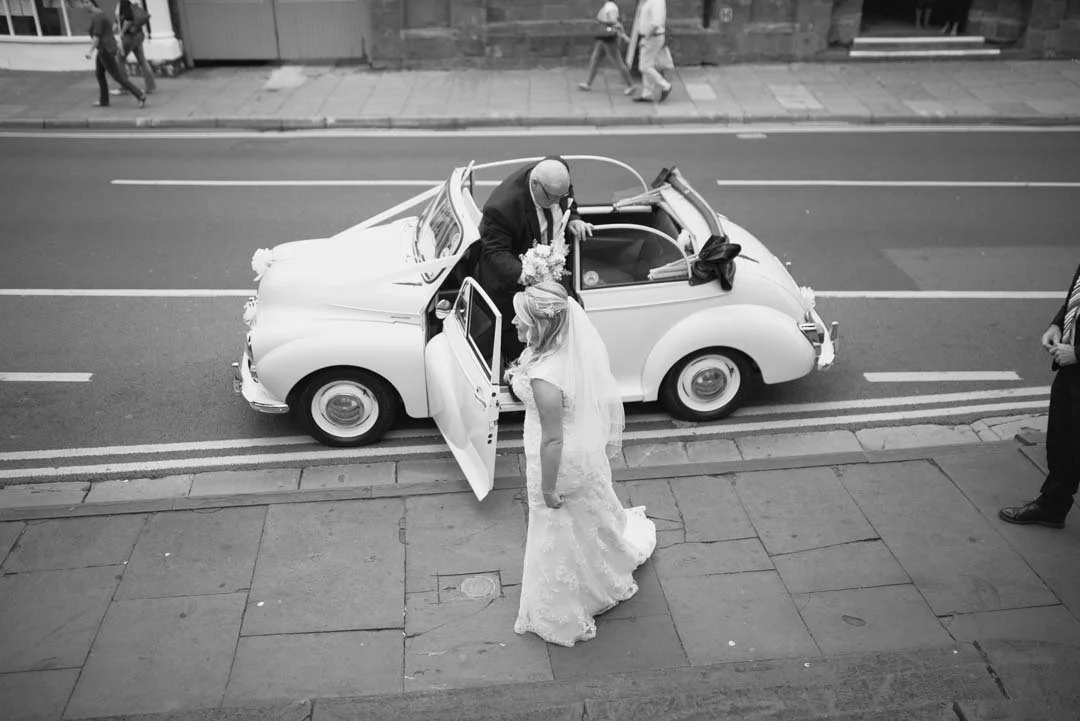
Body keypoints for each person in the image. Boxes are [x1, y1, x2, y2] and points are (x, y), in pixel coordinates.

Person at [507, 281, 656, 647]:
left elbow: (552, 438)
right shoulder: (561, 352)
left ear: (541, 324)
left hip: (557, 460)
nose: (513, 321)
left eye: (520, 317)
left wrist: (547, 487)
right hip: (579, 451)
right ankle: (601, 570)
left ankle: (562, 606)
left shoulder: (545, 376)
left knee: (555, 525)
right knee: (584, 518)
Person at [475, 157, 593, 364]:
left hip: (555, 270)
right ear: (535, 184)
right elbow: (495, 252)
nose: (556, 202)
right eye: (552, 197)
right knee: (524, 346)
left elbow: (567, 198)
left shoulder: (557, 175)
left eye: (561, 196)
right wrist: (527, 274)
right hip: (518, 283)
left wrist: (573, 217)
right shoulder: (501, 208)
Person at [999, 260, 1080, 530]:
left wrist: (1078, 353)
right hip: (1070, 370)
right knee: (1061, 443)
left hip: (1074, 359)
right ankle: (1052, 506)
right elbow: (1077, 295)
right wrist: (1057, 324)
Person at [80, 0, 147, 109]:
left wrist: (90, 51)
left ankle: (139, 95)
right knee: (99, 73)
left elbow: (97, 36)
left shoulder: (98, 17)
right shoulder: (99, 14)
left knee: (116, 76)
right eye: (83, 3)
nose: (84, 5)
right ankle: (104, 100)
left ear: (92, 3)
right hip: (103, 48)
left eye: (86, 2)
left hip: (105, 49)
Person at [578, 1, 635, 95]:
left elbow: (614, 22)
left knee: (617, 61)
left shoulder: (610, 6)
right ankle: (588, 83)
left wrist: (602, 22)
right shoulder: (610, 6)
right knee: (595, 59)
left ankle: (631, 85)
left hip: (609, 39)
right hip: (604, 38)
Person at [631, 0, 672, 103]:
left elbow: (656, 23)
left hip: (652, 37)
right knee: (648, 64)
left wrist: (646, 38)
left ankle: (665, 85)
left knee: (644, 66)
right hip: (651, 37)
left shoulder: (656, 1)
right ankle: (647, 94)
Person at [114, 0, 157, 95]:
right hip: (138, 34)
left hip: (129, 36)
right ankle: (151, 86)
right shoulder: (125, 3)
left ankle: (124, 87)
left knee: (119, 60)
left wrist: (122, 32)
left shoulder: (124, 2)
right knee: (142, 61)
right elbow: (123, 18)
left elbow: (128, 19)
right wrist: (116, 24)